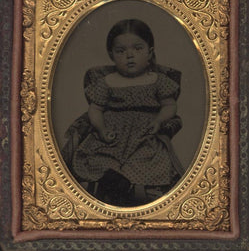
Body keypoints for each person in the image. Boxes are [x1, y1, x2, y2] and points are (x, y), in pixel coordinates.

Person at [62, 19, 184, 206]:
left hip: (144, 135)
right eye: (121, 51)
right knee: (99, 158)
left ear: (149, 52)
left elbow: (169, 106)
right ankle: (114, 183)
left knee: (147, 158)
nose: (129, 56)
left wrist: (159, 121)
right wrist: (102, 130)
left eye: (137, 49)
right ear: (111, 55)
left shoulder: (157, 80)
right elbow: (95, 109)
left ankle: (127, 188)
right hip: (112, 137)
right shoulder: (107, 81)